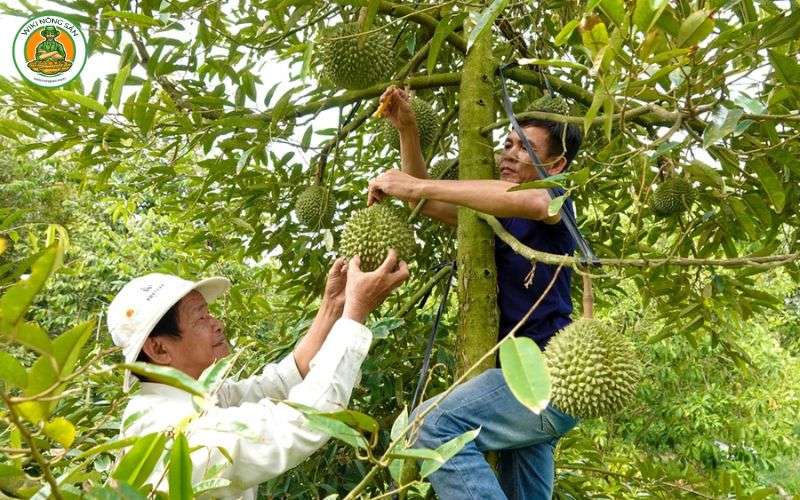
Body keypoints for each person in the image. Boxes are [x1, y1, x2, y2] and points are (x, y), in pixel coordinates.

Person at [368, 86, 583, 499]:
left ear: (556, 164)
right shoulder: (498, 222)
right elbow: (427, 200)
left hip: (552, 377)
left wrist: (417, 188)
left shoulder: (556, 198)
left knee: (432, 426)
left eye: (525, 148)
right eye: (508, 142)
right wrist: (408, 131)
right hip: (527, 387)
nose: (508, 153)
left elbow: (536, 202)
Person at [108, 252, 408, 499]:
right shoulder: (166, 428)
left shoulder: (195, 397)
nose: (216, 323)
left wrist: (334, 306)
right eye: (200, 317)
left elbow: (279, 383)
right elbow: (294, 426)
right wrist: (356, 311)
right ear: (159, 349)